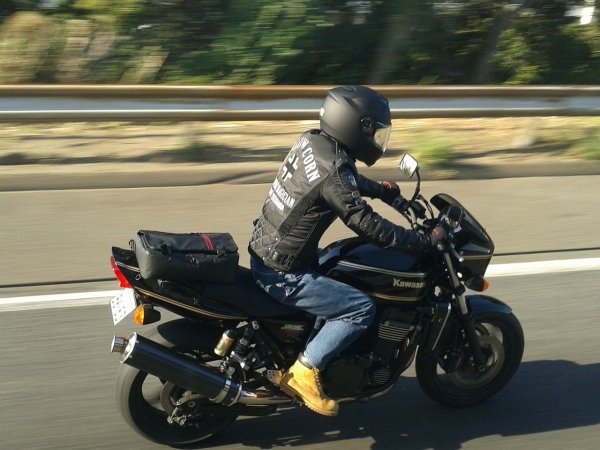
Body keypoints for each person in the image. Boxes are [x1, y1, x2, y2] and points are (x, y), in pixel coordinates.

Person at [248, 85, 443, 417]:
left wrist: (380, 190)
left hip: (269, 251)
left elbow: (342, 182)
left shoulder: (313, 142)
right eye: (375, 132)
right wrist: (419, 241)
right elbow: (365, 223)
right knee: (360, 308)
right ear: (357, 126)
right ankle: (304, 372)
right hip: (283, 272)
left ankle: (317, 353)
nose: (378, 140)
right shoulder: (335, 169)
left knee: (338, 267)